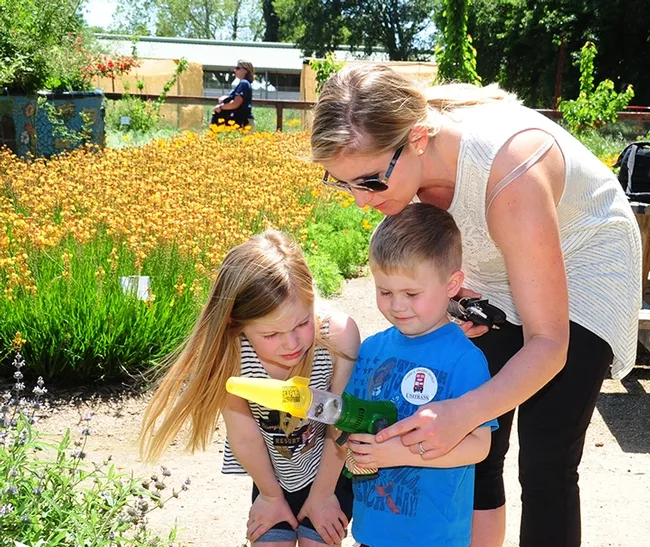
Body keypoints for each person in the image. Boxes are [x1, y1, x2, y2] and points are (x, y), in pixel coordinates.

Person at [310, 64, 642, 547]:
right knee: (480, 446)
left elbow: (549, 344)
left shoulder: (513, 171)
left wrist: (463, 412)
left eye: (371, 182)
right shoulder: (411, 148)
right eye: (344, 184)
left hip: (588, 261)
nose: (362, 202)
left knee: (545, 459)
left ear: (418, 138)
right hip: (503, 252)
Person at [139, 230, 360, 546]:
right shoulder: (232, 355)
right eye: (271, 335)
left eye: (302, 323)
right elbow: (244, 435)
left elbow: (339, 428)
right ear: (235, 324)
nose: (292, 343)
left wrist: (323, 496)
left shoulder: (337, 337)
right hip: (273, 476)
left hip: (330, 472)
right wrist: (270, 497)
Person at [344, 203, 499, 547]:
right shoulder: (372, 349)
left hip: (434, 536)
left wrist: (397, 454)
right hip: (372, 530)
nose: (397, 305)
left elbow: (478, 445)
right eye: (384, 292)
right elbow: (351, 423)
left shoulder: (465, 360)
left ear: (451, 285)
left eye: (411, 294)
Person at [211, 60, 255, 129]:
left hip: (243, 121)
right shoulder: (244, 83)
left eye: (238, 68)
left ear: (246, 70)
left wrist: (220, 107)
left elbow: (235, 103)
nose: (235, 70)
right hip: (242, 120)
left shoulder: (244, 83)